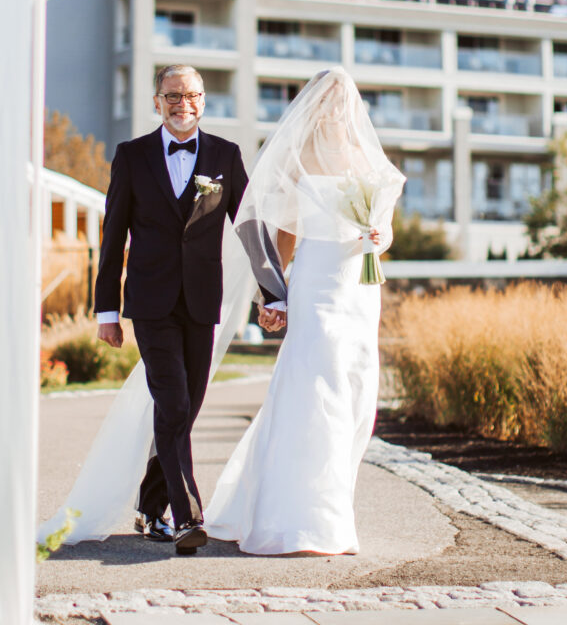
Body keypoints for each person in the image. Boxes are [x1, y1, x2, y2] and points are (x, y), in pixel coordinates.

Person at [204, 67, 404, 554]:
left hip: (360, 287)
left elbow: (386, 228)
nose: (337, 108)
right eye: (328, 99)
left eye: (344, 99)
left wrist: (381, 237)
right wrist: (271, 292)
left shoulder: (367, 157)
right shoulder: (299, 155)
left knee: (354, 391)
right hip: (318, 282)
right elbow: (284, 234)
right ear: (315, 103)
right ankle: (299, 520)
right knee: (314, 387)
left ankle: (334, 512)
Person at [91, 63, 278, 555]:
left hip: (200, 303)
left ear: (202, 100)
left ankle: (149, 506)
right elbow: (112, 239)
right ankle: (186, 518)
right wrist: (105, 311)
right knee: (172, 403)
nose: (182, 104)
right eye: (172, 95)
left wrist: (273, 291)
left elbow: (250, 226)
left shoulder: (225, 155)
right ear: (157, 101)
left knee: (183, 411)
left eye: (191, 95)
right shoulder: (131, 157)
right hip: (150, 304)